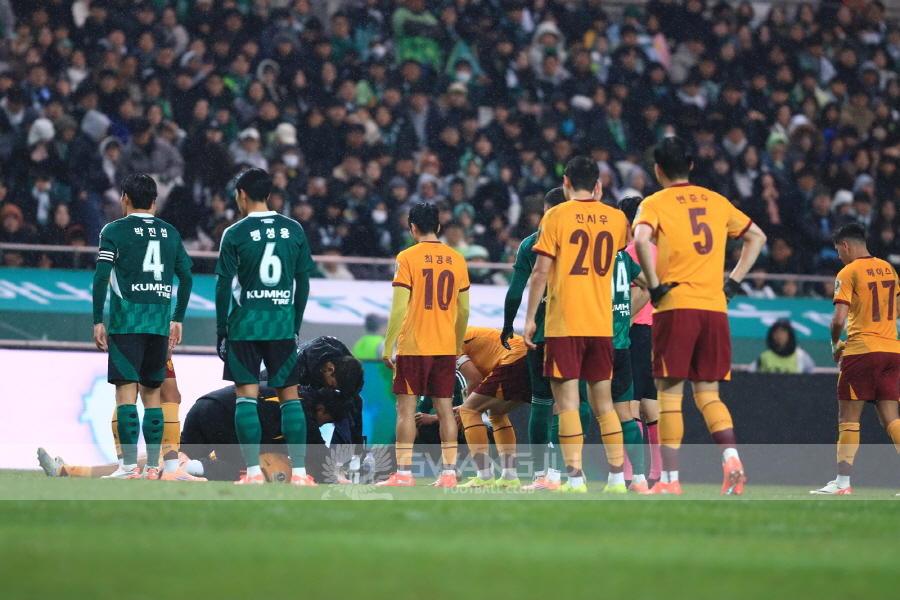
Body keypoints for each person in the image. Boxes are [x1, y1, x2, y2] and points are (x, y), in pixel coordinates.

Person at [632, 137, 767, 495]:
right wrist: (733, 282)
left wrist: (655, 287)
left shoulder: (654, 202)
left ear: (658, 170)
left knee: (669, 398)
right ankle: (732, 459)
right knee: (708, 395)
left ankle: (670, 481)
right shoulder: (716, 201)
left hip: (676, 307)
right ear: (690, 165)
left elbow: (641, 240)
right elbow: (757, 236)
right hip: (714, 308)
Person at [524, 156, 630, 494]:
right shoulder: (617, 219)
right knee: (604, 404)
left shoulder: (555, 215)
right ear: (598, 185)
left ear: (566, 182)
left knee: (568, 402)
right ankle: (617, 480)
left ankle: (574, 479)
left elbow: (541, 272)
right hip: (601, 324)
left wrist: (530, 318)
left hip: (564, 322)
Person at [91, 174, 197, 481]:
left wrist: (98, 320)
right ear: (154, 201)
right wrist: (177, 318)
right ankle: (152, 467)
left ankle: (127, 468)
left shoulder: (113, 230)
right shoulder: (169, 232)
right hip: (159, 325)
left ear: (125, 198)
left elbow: (101, 277)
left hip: (126, 324)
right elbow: (187, 277)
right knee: (153, 397)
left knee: (126, 395)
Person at [215, 168, 316, 486]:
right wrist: (294, 324)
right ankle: (299, 474)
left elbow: (222, 286)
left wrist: (221, 330)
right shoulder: (293, 229)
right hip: (281, 326)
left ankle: (253, 474)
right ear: (269, 194)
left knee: (246, 397)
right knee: (290, 398)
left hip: (244, 326)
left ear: (242, 194)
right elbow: (303, 283)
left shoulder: (235, 233)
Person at [38, 383, 352, 483]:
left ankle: (69, 471)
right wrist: (344, 478)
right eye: (325, 420)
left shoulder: (291, 390)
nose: (321, 425)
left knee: (168, 459)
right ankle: (189, 468)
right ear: (321, 409)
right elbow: (319, 459)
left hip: (207, 405)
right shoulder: (303, 412)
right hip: (225, 416)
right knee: (243, 469)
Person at [378, 202, 470, 488]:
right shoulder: (457, 259)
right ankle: (449, 474)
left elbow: (398, 308)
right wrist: (456, 344)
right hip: (445, 346)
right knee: (445, 411)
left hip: (414, 345)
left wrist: (388, 345)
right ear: (439, 227)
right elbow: (464, 310)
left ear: (412, 228)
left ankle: (404, 475)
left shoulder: (407, 257)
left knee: (406, 411)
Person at [811, 223, 900, 495]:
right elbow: (896, 310)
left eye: (839, 251)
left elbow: (838, 320)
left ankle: (842, 483)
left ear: (846, 245)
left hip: (862, 350)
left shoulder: (848, 272)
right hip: (892, 350)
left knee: (848, 418)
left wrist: (835, 344)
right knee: (892, 419)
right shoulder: (888, 269)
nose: (839, 256)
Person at [620, 195, 663, 486]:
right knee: (651, 400)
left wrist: (622, 325)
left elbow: (637, 292)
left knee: (629, 402)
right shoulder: (657, 250)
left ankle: (630, 473)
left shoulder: (631, 251)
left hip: (635, 328)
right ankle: (657, 473)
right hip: (657, 330)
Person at [455, 327, 532, 489]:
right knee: (497, 414)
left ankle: (484, 477)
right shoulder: (463, 334)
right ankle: (509, 478)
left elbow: (475, 379)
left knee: (468, 411)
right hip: (530, 359)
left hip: (515, 358)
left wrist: (466, 405)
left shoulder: (450, 342)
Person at [749, 319, 816, 374]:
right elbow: (751, 374)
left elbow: (811, 380)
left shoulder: (801, 357)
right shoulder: (764, 357)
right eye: (776, 332)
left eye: (783, 332)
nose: (779, 335)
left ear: (790, 334)